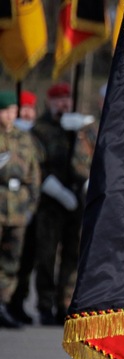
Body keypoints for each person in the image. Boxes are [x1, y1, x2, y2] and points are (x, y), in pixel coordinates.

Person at [29, 83, 93, 325]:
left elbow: (91, 158)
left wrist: (79, 133)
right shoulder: (41, 129)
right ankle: (44, 304)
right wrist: (56, 190)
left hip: (78, 202)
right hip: (51, 203)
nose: (64, 103)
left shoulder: (81, 130)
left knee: (73, 254)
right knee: (46, 255)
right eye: (59, 99)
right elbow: (36, 164)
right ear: (49, 101)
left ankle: (64, 303)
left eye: (67, 99)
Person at [0, 91, 41, 329]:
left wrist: (30, 207)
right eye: (6, 111)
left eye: (13, 111)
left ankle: (3, 305)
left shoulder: (24, 138)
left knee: (11, 262)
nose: (11, 115)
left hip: (17, 212)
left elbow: (34, 174)